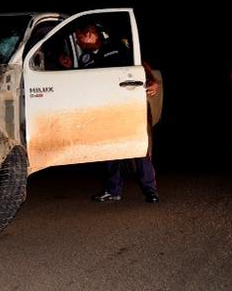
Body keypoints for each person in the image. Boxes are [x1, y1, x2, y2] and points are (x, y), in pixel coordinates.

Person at [59, 20, 161, 203]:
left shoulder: (116, 46)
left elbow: (140, 62)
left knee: (138, 146)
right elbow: (83, 81)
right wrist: (69, 69)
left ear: (90, 35)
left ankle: (150, 190)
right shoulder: (85, 59)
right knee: (109, 148)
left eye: (79, 38)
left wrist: (153, 80)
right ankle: (113, 190)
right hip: (106, 108)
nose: (77, 42)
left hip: (129, 104)